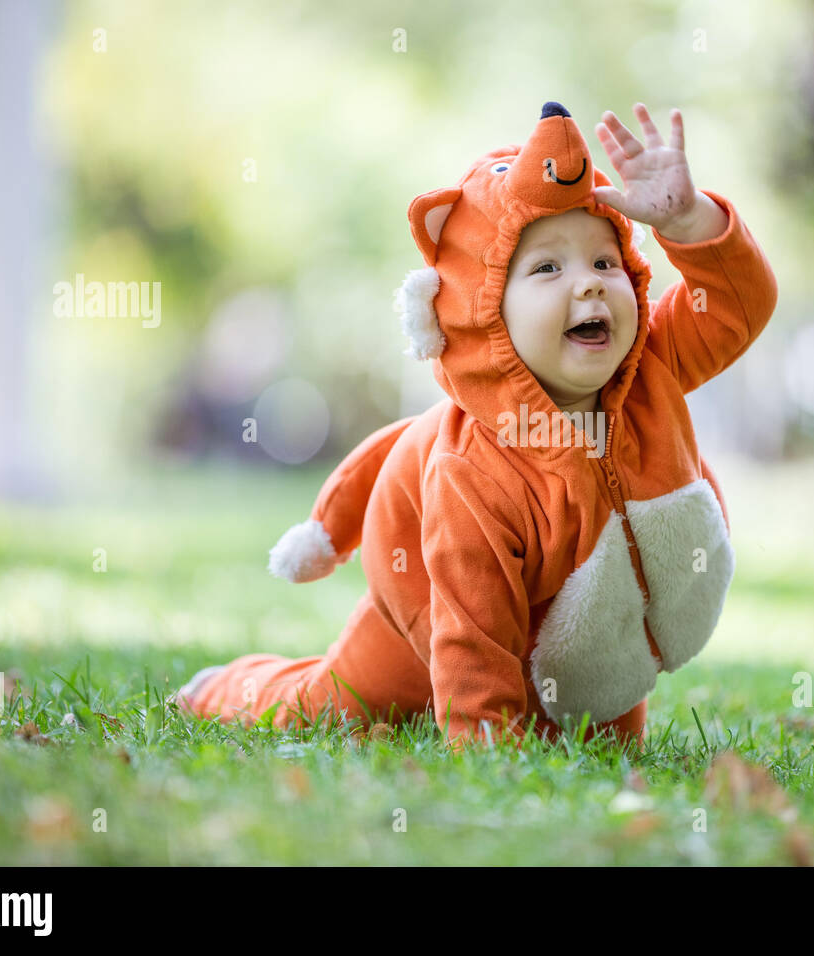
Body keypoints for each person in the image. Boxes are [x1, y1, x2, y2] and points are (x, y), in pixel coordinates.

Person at [176, 101, 779, 753]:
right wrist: (488, 744)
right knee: (336, 704)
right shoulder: (472, 470)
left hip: (583, 611)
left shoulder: (651, 366)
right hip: (422, 599)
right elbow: (470, 629)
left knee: (596, 732)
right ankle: (227, 688)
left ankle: (588, 715)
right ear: (485, 310)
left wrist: (690, 221)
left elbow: (737, 307)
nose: (590, 286)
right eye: (548, 268)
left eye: (605, 263)